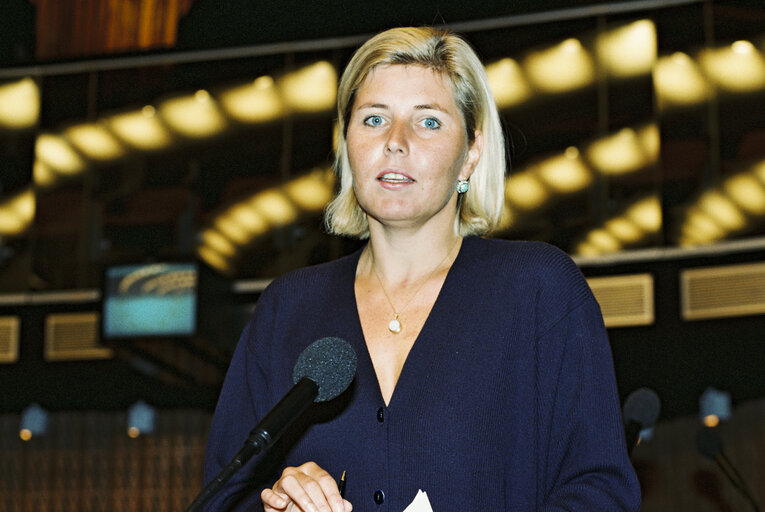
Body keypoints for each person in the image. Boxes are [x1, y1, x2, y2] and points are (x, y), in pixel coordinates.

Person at [203, 26, 641, 511]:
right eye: (373, 119)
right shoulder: (286, 309)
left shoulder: (539, 290)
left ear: (471, 153)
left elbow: (599, 491)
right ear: (347, 142)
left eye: (428, 122)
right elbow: (225, 497)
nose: (395, 142)